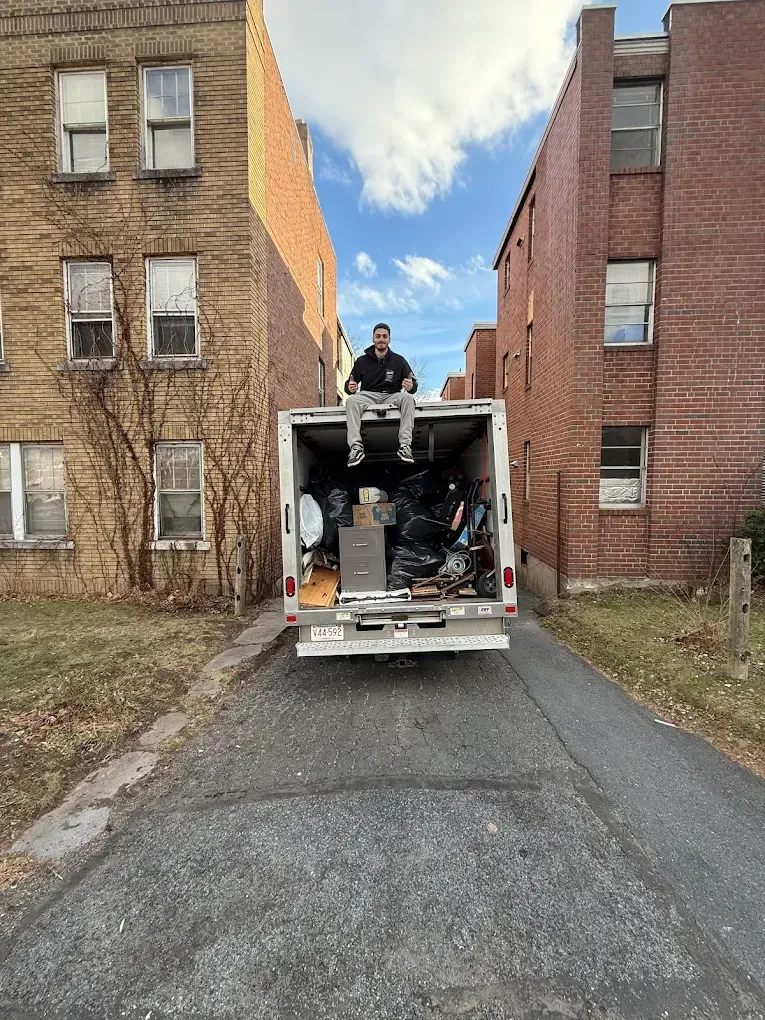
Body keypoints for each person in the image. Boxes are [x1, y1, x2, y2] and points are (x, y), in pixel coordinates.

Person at [344, 323, 417, 467]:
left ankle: (405, 446)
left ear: (389, 339)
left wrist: (411, 385)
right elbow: (349, 384)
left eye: (384, 336)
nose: (381, 339)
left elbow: (413, 384)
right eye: (378, 336)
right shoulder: (362, 361)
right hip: (368, 395)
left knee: (408, 398)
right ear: (373, 339)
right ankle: (356, 447)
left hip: (392, 395)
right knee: (351, 401)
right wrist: (350, 387)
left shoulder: (399, 360)